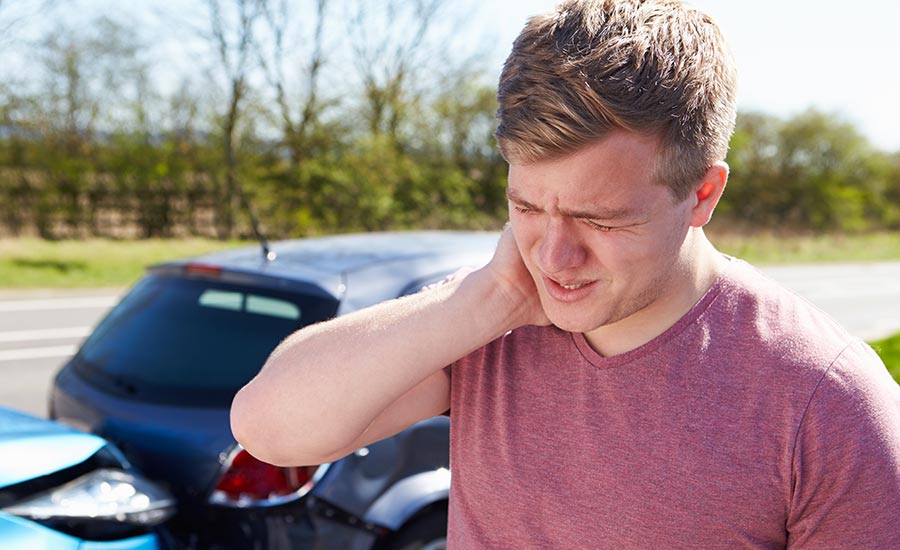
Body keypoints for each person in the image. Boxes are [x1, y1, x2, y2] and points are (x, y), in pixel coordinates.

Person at [231, 0, 900, 547]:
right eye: (526, 207)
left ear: (703, 195)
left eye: (599, 220)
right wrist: (487, 300)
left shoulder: (827, 402)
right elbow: (268, 430)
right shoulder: (492, 321)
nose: (553, 258)